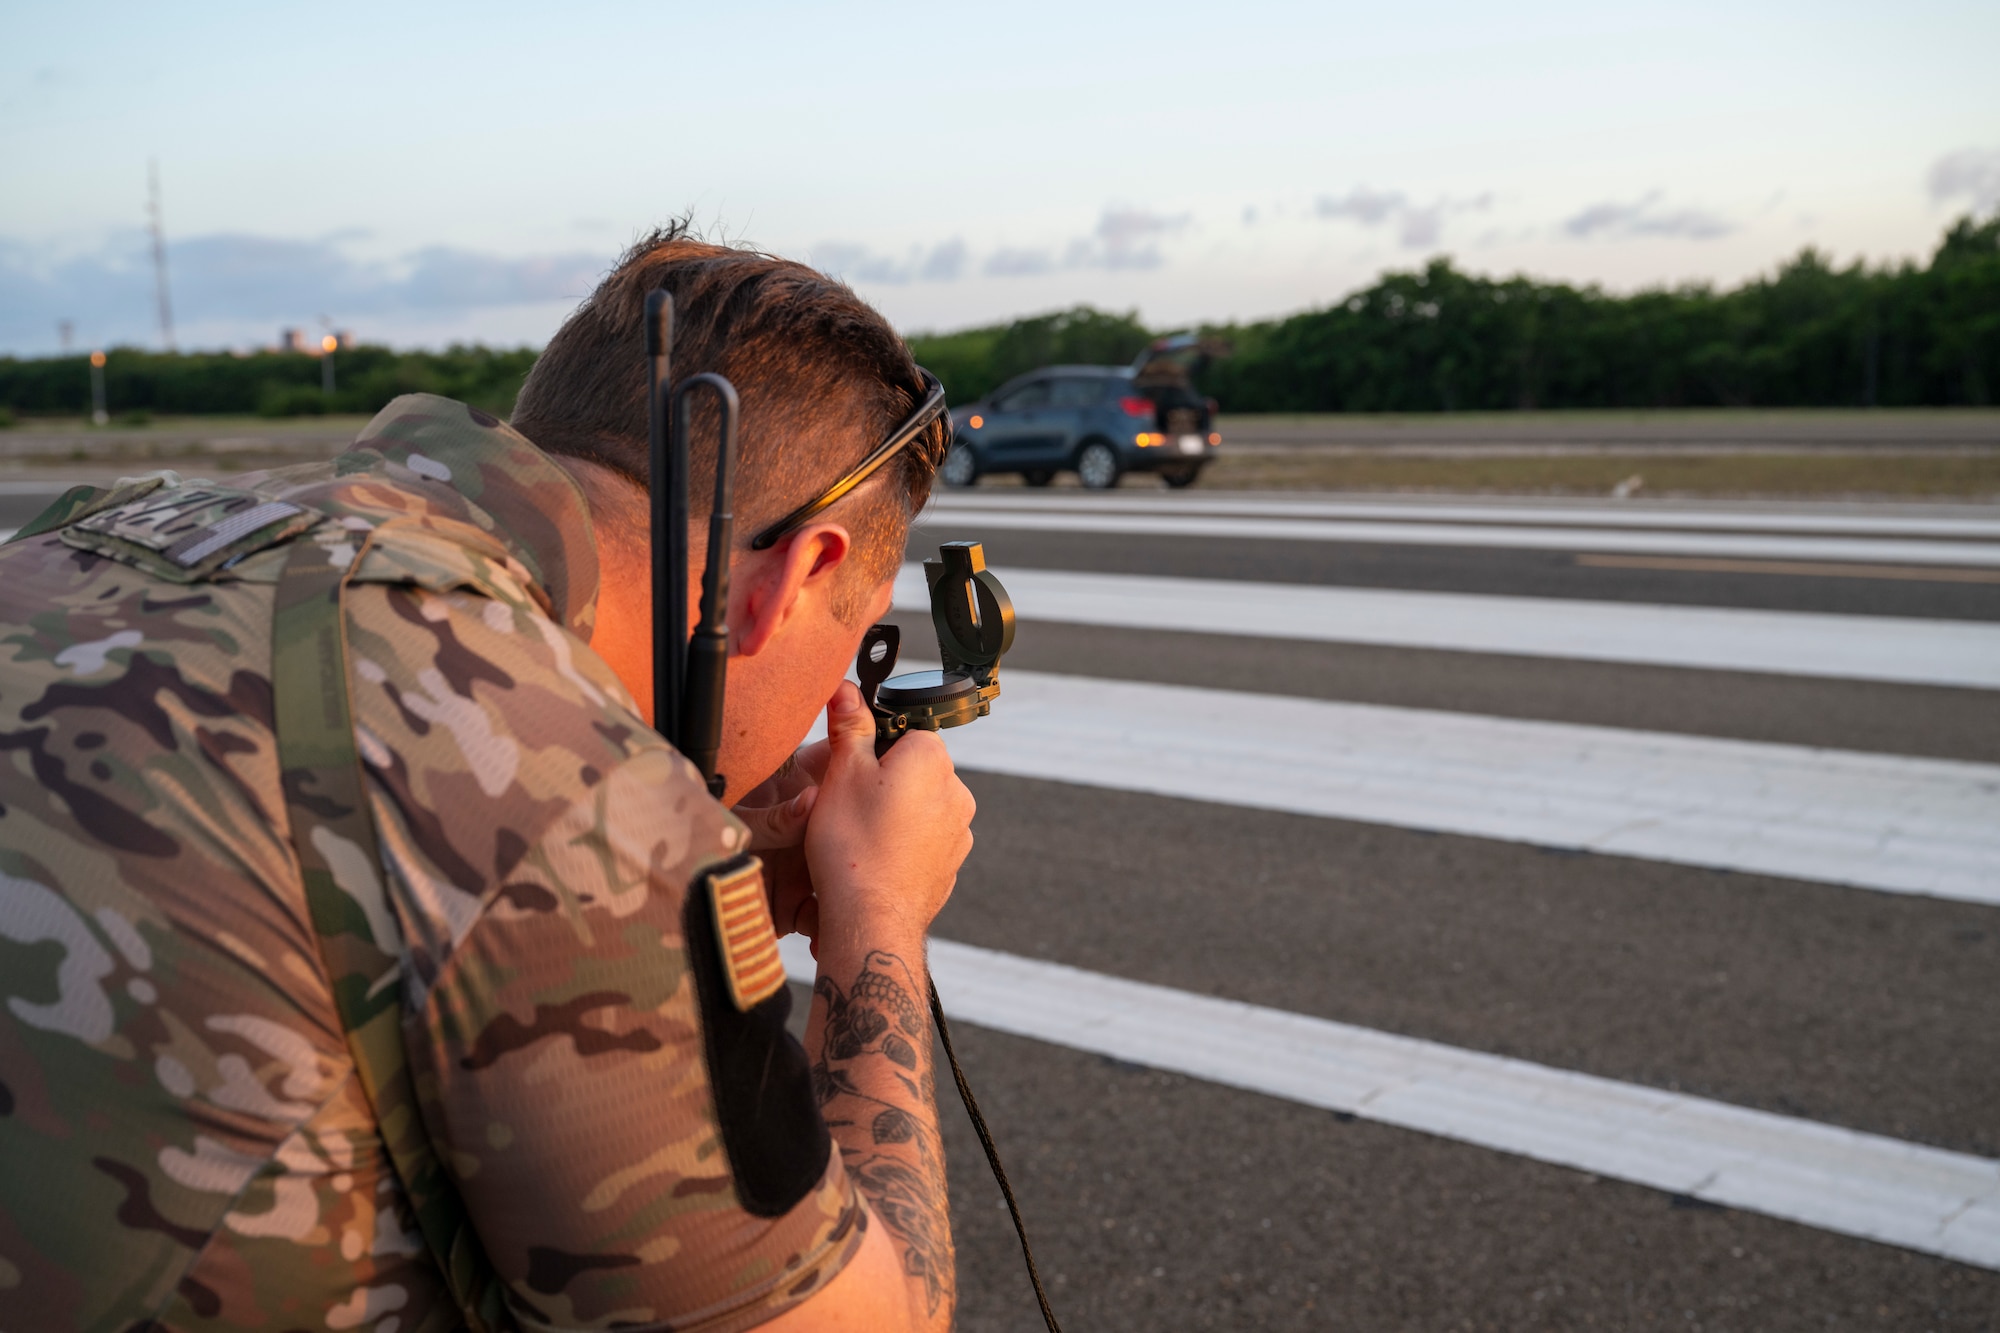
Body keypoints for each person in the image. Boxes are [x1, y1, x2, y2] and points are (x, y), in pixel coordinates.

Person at [0, 227, 974, 1331]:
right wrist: (877, 916)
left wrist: (715, 854)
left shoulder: (107, 536)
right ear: (793, 577)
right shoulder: (567, 788)